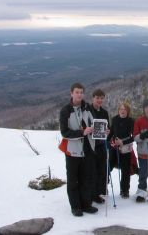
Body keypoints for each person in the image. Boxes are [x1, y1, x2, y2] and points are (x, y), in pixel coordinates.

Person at [58, 83, 98, 217]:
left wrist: (102, 131)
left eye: (81, 92)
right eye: (77, 92)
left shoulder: (87, 108)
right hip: (72, 151)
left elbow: (93, 125)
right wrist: (82, 132)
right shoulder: (65, 111)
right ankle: (75, 207)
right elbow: (65, 132)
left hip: (87, 149)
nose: (79, 95)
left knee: (86, 179)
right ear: (71, 93)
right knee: (73, 180)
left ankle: (86, 205)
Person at [108, 102, 135, 198]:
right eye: (121, 109)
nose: (122, 111)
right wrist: (107, 141)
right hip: (114, 146)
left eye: (124, 109)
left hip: (126, 147)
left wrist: (123, 142)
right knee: (108, 166)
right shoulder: (115, 119)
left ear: (128, 111)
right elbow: (111, 132)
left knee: (125, 170)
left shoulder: (131, 121)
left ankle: (124, 190)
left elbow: (133, 136)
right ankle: (103, 187)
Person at [89, 88, 110, 204]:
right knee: (92, 171)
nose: (99, 100)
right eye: (97, 98)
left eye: (101, 98)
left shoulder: (104, 112)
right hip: (90, 146)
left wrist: (107, 131)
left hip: (101, 144)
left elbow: (108, 128)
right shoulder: (87, 110)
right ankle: (92, 194)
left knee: (102, 170)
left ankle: (100, 193)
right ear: (93, 98)